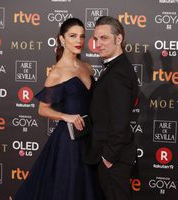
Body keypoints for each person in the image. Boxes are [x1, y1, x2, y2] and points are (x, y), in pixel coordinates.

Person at [14, 18, 103, 200]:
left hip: (89, 138)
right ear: (62, 39)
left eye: (82, 36)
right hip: (69, 142)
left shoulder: (87, 68)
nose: (79, 41)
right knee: (69, 190)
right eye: (73, 36)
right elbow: (42, 109)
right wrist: (66, 116)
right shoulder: (57, 72)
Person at [85, 16, 138, 200]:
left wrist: (108, 157)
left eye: (104, 38)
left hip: (113, 159)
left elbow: (120, 120)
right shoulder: (116, 67)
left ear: (119, 39)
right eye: (96, 39)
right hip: (111, 156)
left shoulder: (119, 73)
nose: (98, 44)